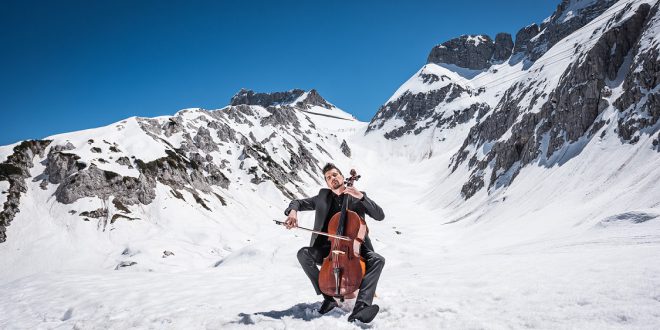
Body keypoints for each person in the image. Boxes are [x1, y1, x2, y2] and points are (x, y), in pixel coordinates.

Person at [283, 163, 385, 323]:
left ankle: (361, 306)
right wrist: (293, 212)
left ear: (343, 178)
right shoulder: (323, 198)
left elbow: (380, 215)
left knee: (378, 259)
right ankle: (328, 298)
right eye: (328, 178)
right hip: (329, 250)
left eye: (335, 175)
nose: (332, 179)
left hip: (356, 248)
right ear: (327, 183)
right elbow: (298, 202)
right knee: (303, 254)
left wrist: (362, 198)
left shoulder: (358, 196)